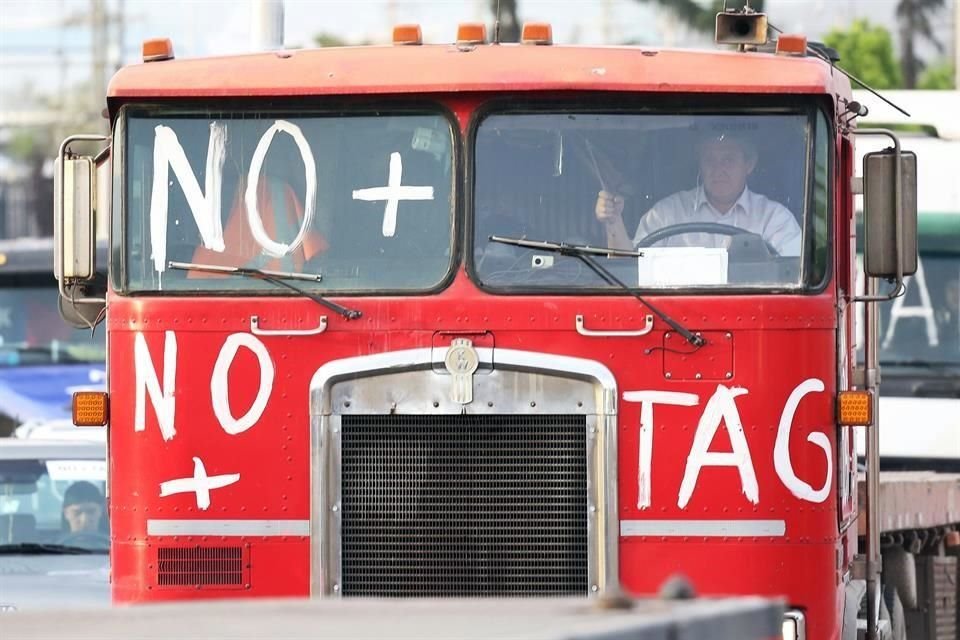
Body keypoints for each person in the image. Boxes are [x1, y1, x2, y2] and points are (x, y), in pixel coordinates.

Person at [594, 131, 802, 256]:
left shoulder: (775, 219)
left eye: (728, 160)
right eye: (710, 160)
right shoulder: (666, 213)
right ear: (700, 164)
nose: (718, 169)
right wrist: (613, 221)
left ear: (749, 164)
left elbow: (795, 282)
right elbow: (629, 271)